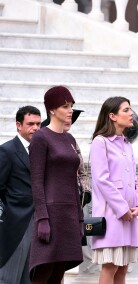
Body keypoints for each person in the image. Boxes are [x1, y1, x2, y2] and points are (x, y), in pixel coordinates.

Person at [29, 86, 83, 283]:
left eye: (71, 106)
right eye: (65, 106)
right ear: (52, 109)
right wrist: (42, 218)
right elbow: (36, 181)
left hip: (69, 214)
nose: (70, 110)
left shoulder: (69, 138)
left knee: (58, 273)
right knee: (43, 272)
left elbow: (73, 180)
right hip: (51, 214)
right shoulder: (41, 137)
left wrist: (79, 218)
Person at [90, 96, 138, 284]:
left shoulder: (127, 144)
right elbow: (101, 180)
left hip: (130, 216)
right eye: (126, 110)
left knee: (122, 270)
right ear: (112, 116)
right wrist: (122, 209)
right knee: (110, 267)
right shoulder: (100, 142)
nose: (131, 114)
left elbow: (134, 180)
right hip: (112, 215)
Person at [0, 106, 41, 284]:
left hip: (39, 220)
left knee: (29, 277)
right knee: (9, 276)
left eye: (39, 124)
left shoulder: (41, 150)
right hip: (15, 222)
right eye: (31, 124)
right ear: (19, 125)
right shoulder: (6, 150)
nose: (36, 128)